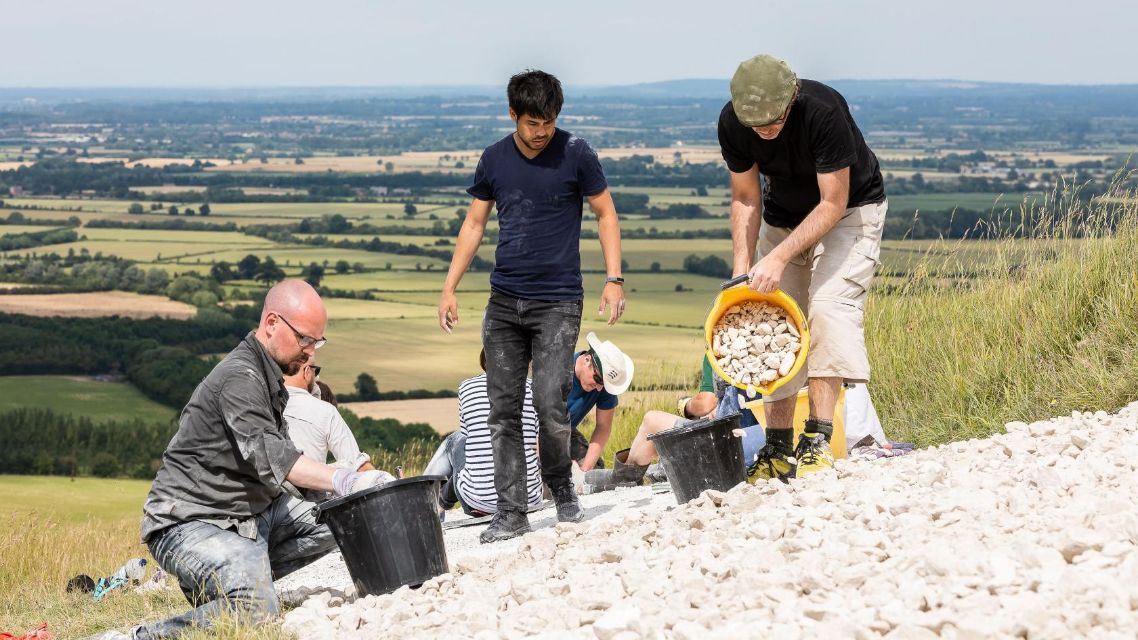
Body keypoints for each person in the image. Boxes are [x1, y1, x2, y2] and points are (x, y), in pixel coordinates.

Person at [89, 281, 392, 640]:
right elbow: (276, 458)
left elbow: (285, 469)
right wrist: (347, 479)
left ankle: (222, 587)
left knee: (348, 518)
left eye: (317, 342)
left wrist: (364, 495)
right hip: (192, 521)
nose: (310, 353)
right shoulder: (240, 377)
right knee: (256, 611)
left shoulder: (270, 378)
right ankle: (140, 637)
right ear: (272, 323)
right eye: (305, 340)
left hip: (252, 512)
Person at [437, 69, 625, 542]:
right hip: (503, 303)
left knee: (548, 403)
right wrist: (449, 287)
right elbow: (474, 226)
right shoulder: (494, 159)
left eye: (549, 122)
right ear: (512, 115)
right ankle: (511, 512)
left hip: (558, 302)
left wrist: (614, 279)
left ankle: (562, 487)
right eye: (532, 123)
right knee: (502, 409)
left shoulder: (577, 153)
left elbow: (605, 213)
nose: (542, 132)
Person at [719, 54, 887, 480]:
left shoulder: (823, 111)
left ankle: (817, 438)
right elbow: (745, 196)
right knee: (773, 320)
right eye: (756, 126)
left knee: (828, 309)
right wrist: (743, 272)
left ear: (792, 98)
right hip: (784, 215)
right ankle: (776, 449)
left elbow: (833, 202)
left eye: (772, 122)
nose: (764, 132)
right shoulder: (733, 122)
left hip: (850, 210)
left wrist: (775, 257)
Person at [423, 350, 542, 523]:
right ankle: (441, 501)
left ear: (485, 359)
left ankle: (427, 501)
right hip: (530, 500)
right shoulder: (533, 388)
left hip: (477, 503)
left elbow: (466, 436)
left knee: (455, 440)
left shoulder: (466, 387)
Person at [282, 360, 374, 472]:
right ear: (306, 372)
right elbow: (356, 464)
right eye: (316, 371)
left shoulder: (260, 404)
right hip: (310, 485)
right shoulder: (325, 412)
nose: (317, 377)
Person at [566, 332, 634, 471]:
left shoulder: (603, 386)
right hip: (536, 428)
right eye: (597, 379)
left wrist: (585, 471)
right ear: (587, 360)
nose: (599, 387)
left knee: (595, 471)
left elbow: (603, 426)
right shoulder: (560, 369)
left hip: (567, 430)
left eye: (604, 384)